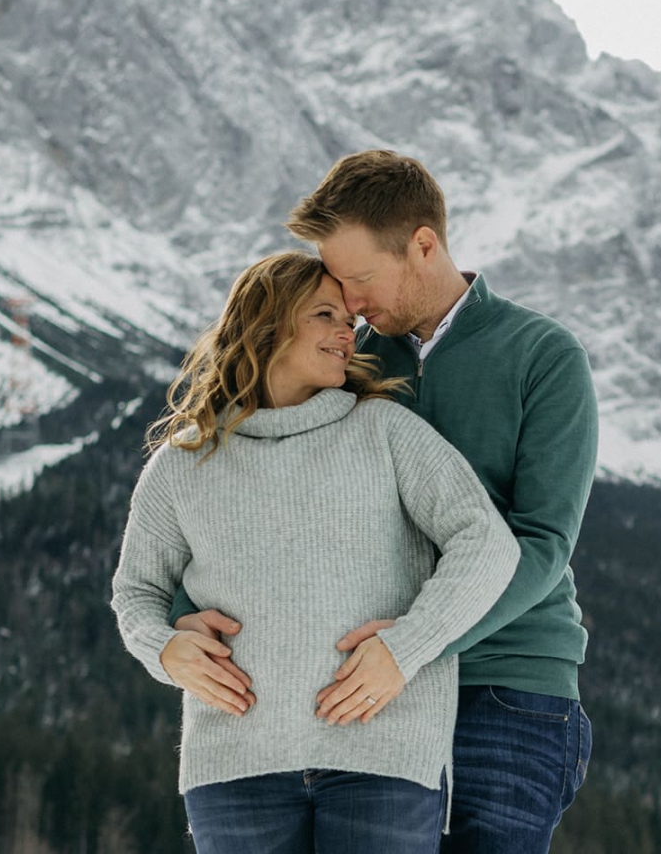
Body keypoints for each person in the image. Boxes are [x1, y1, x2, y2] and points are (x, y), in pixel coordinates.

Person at [168, 151, 600, 853]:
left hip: (505, 688)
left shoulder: (541, 355)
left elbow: (543, 541)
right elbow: (252, 502)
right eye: (339, 286)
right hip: (370, 689)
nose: (354, 304)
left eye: (362, 279)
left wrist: (414, 647)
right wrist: (170, 630)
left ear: (424, 245)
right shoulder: (353, 363)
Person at [111, 251, 519, 854]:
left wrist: (407, 647)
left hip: (382, 754)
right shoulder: (183, 463)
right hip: (234, 766)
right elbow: (136, 593)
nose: (347, 331)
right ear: (268, 324)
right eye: (325, 314)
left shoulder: (385, 431)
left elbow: (487, 543)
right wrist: (164, 648)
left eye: (349, 319)